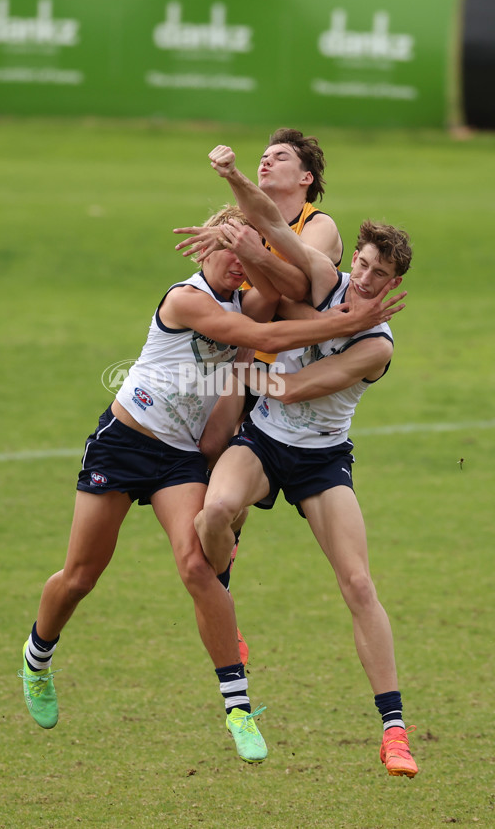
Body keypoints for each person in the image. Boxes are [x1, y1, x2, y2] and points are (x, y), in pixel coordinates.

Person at [17, 204, 405, 765]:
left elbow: (299, 260)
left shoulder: (254, 292)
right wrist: (346, 322)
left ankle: (238, 708)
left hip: (178, 460)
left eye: (242, 253)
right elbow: (249, 332)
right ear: (205, 250)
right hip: (125, 445)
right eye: (225, 250)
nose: (236, 264)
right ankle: (37, 658)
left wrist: (279, 233)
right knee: (79, 577)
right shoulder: (185, 298)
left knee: (198, 565)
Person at [192, 145, 419, 778]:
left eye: (379, 276)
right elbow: (271, 221)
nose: (365, 280)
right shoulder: (328, 279)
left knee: (359, 584)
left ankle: (394, 732)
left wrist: (241, 367)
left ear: (394, 286)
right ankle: (225, 603)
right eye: (364, 265)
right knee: (215, 512)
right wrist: (233, 178)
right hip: (264, 441)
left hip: (321, 460)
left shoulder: (375, 347)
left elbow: (292, 389)